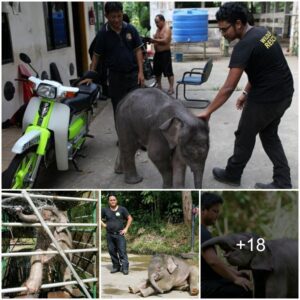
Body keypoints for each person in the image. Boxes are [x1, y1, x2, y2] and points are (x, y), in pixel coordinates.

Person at [198, 2, 294, 189]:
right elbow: (262, 69)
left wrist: (208, 111)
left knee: (244, 134)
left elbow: (227, 87)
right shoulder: (263, 33)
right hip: (284, 94)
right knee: (269, 134)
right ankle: (283, 180)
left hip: (267, 98)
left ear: (239, 24)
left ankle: (233, 174)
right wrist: (244, 93)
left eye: (225, 29)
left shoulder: (244, 46)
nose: (223, 34)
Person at [81, 2, 144, 120]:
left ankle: (136, 137)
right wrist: (91, 74)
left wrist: (141, 72)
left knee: (136, 107)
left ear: (122, 14)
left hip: (132, 75)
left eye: (119, 16)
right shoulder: (102, 34)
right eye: (113, 17)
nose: (116, 20)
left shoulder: (130, 29)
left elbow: (138, 51)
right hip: (115, 78)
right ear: (106, 16)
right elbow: (96, 55)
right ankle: (122, 137)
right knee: (119, 109)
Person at [201, 192, 253, 298]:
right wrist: (235, 279)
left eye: (218, 212)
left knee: (243, 280)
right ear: (203, 210)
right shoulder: (203, 232)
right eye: (214, 211)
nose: (217, 215)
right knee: (243, 290)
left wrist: (234, 273)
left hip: (212, 281)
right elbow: (213, 262)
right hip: (205, 284)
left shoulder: (204, 231)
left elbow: (215, 261)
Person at [101, 194, 133, 275]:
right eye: (111, 200)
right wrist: (103, 224)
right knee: (112, 251)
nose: (112, 201)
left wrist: (126, 229)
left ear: (116, 200)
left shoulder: (122, 209)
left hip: (119, 235)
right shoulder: (105, 210)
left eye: (114, 200)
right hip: (109, 235)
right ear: (109, 201)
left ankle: (125, 268)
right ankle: (116, 267)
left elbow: (130, 218)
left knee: (122, 251)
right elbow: (98, 217)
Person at [151, 14, 174, 95]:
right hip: (157, 54)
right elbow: (157, 38)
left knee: (168, 71)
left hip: (165, 53)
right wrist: (153, 39)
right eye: (155, 22)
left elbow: (165, 41)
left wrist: (154, 40)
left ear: (162, 21)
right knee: (157, 71)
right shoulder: (158, 29)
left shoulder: (167, 29)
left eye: (157, 22)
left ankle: (171, 88)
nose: (156, 24)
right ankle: (159, 86)